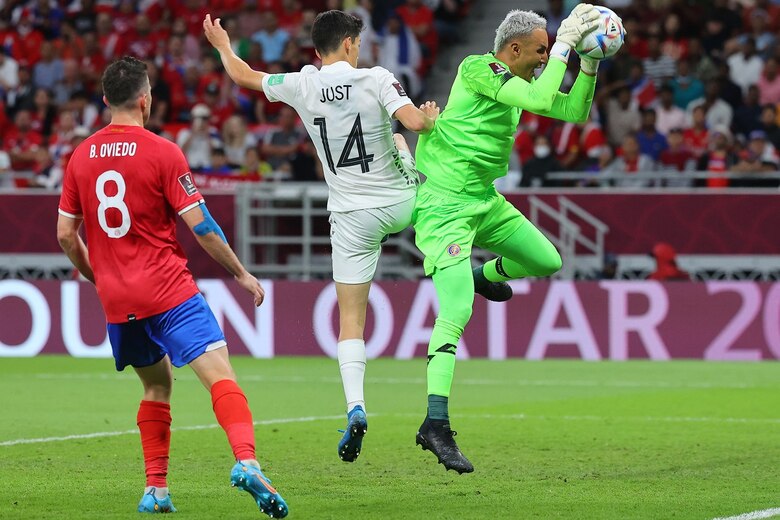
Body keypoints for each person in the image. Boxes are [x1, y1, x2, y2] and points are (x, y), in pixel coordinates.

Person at [205, 9, 470, 465]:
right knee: (419, 163)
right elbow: (414, 121)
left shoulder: (303, 84)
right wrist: (426, 117)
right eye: (359, 42)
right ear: (349, 43)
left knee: (351, 321)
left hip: (350, 216)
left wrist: (223, 46)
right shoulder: (378, 79)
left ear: (317, 50)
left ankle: (355, 407)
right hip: (401, 202)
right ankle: (467, 268)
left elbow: (245, 76)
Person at [55, 57, 288, 518]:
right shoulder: (163, 152)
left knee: (156, 387)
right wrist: (241, 273)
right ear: (146, 99)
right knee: (221, 375)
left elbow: (65, 234)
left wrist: (96, 276)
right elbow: (200, 225)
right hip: (167, 290)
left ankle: (156, 490)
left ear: (105, 101)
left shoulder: (80, 156)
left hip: (119, 300)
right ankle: (246, 461)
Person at [411, 5, 605, 473]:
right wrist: (563, 47)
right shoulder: (477, 67)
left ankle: (481, 274)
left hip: (483, 199)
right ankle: (434, 423)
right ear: (513, 49)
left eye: (547, 52)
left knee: (547, 260)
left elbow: (572, 109)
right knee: (456, 311)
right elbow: (541, 99)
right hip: (445, 205)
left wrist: (590, 62)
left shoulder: (517, 84)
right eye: (540, 51)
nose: (545, 59)